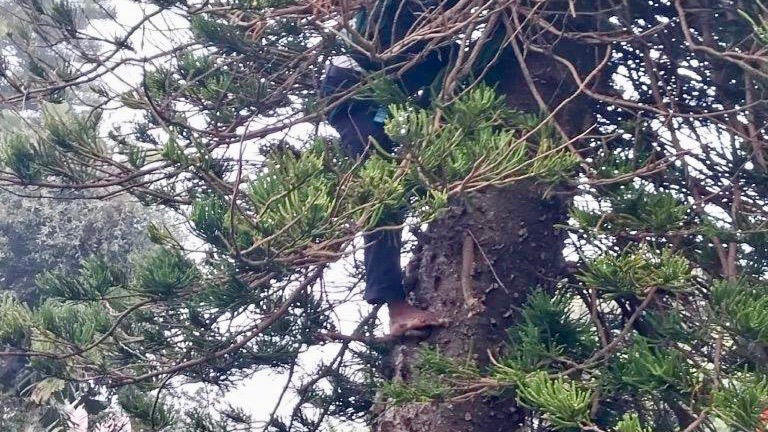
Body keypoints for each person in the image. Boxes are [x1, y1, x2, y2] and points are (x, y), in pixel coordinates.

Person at [321, 0, 454, 335]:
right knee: (383, 194)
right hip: (352, 92)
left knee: (456, 56)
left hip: (378, 88)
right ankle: (395, 308)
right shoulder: (396, 9)